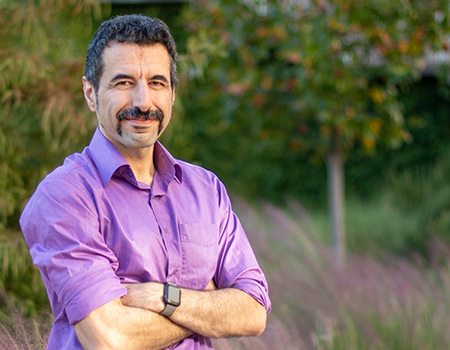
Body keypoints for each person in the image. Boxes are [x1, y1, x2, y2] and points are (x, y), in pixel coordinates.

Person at [19, 14, 270, 349]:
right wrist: (207, 304)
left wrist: (163, 298)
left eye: (157, 83)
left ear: (173, 93)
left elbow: (253, 312)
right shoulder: (65, 196)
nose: (143, 102)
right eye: (124, 83)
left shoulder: (205, 188)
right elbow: (109, 337)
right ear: (90, 93)